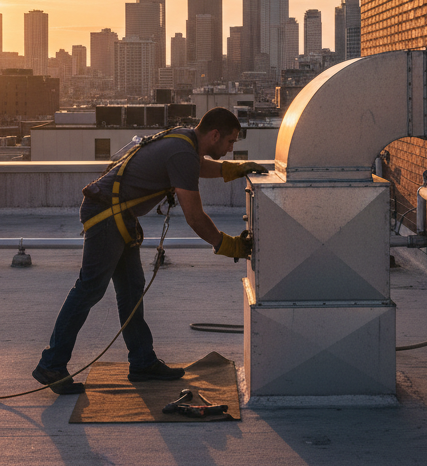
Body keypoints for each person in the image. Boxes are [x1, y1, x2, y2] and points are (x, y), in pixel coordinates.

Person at [32, 107, 267, 394]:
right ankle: (52, 364)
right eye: (230, 142)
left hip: (118, 215)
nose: (231, 150)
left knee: (131, 288)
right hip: (107, 214)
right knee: (90, 288)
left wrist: (233, 170)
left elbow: (196, 166)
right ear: (215, 135)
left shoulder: (184, 140)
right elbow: (195, 217)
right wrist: (228, 245)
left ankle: (142, 361)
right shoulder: (182, 152)